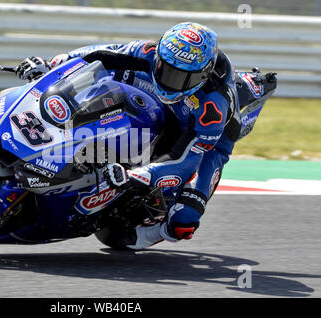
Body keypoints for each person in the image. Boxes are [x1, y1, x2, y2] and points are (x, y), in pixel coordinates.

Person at [14, 22, 243, 249]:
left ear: (202, 76)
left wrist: (139, 175)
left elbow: (186, 160)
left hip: (206, 139)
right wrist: (54, 63)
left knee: (184, 220)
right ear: (160, 55)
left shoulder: (212, 108)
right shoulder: (153, 52)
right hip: (162, 104)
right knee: (105, 86)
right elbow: (102, 54)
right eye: (166, 70)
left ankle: (158, 231)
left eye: (181, 78)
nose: (170, 81)